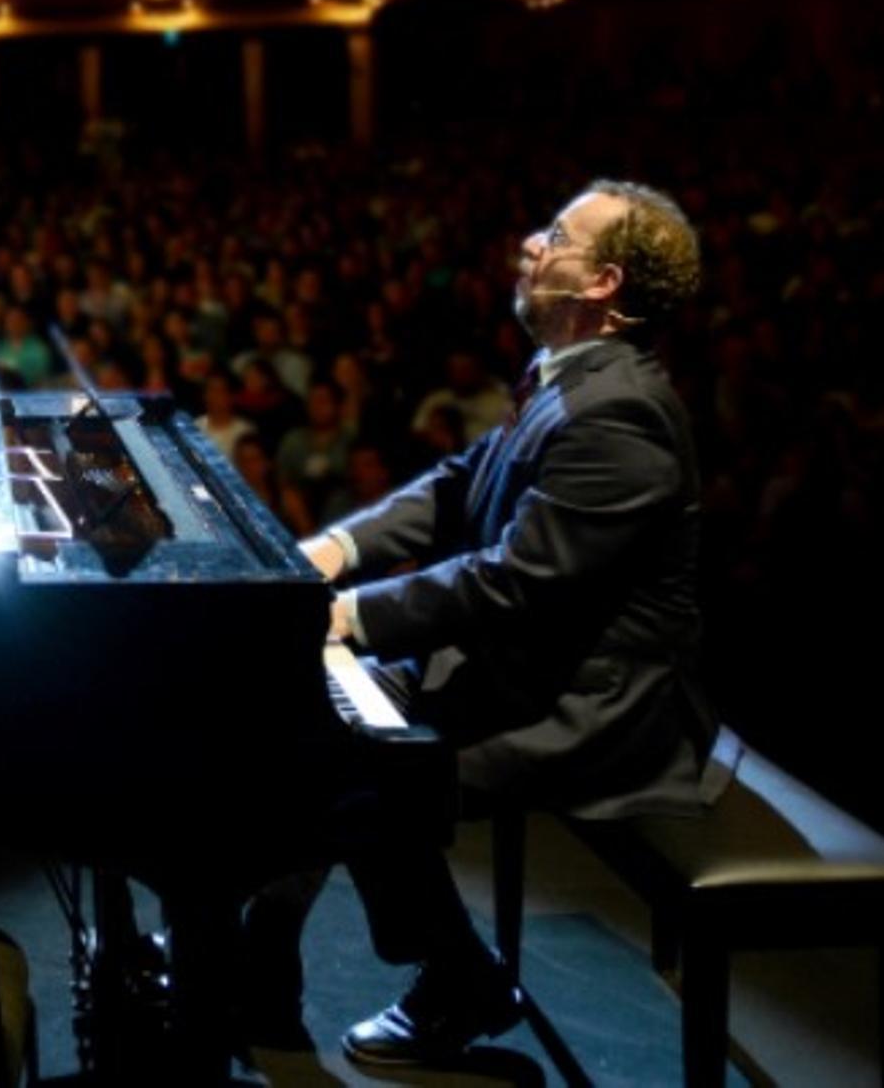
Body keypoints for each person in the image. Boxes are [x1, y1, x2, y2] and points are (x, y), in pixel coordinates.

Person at [254, 179, 718, 1068]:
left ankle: (458, 980)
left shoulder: (619, 415)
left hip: (595, 705)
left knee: (362, 769)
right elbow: (461, 485)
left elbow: (517, 581)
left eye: (555, 236)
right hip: (524, 663)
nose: (529, 246)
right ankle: (258, 966)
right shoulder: (574, 377)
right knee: (300, 719)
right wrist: (336, 552)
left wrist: (346, 619)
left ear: (603, 284)